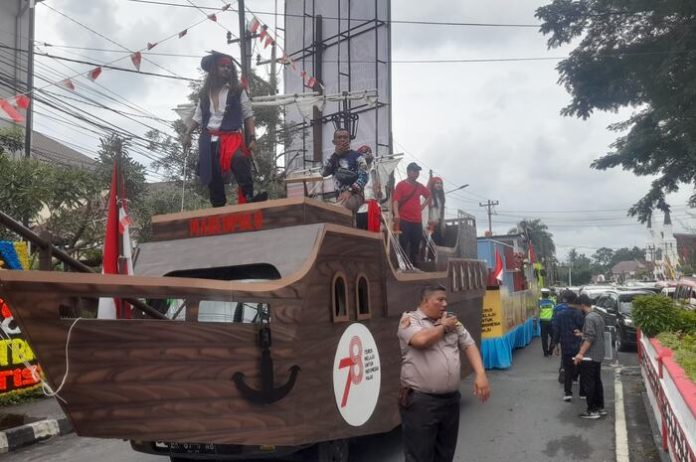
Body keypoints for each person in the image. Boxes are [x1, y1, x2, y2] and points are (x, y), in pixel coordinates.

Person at [397, 285, 490, 462]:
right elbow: (421, 340)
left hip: (450, 401)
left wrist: (480, 374)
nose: (445, 304)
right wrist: (444, 327)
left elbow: (468, 344)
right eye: (440, 300)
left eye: (445, 299)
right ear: (425, 301)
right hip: (421, 402)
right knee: (420, 456)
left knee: (445, 455)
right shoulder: (410, 320)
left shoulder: (452, 321)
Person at [183, 51, 259, 207]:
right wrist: (187, 134)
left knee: (239, 160)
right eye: (222, 66)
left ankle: (249, 197)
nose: (226, 69)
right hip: (207, 138)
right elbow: (198, 117)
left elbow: (248, 116)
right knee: (212, 174)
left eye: (229, 67)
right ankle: (218, 207)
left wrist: (252, 138)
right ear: (214, 70)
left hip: (230, 138)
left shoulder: (237, 90)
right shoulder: (204, 93)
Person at [574, 293, 606, 419]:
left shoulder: (588, 318)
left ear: (582, 305)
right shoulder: (597, 315)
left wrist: (580, 353)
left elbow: (591, 337)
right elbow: (593, 334)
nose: (578, 310)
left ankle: (592, 410)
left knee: (589, 383)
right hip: (598, 354)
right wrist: (582, 334)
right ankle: (600, 407)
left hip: (590, 356)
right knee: (597, 381)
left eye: (578, 307)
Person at [321, 129, 369, 213]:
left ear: (349, 140)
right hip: (339, 197)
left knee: (341, 210)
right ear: (334, 141)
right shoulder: (332, 158)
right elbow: (323, 173)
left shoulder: (358, 156)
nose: (342, 139)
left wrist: (350, 191)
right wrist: (335, 154)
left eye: (345, 137)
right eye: (339, 137)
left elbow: (364, 176)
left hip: (355, 195)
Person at [393, 163, 432, 265]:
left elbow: (429, 195)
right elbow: (395, 201)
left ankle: (414, 266)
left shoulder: (419, 186)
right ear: (408, 172)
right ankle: (402, 266)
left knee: (416, 244)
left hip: (417, 221)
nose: (417, 173)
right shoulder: (401, 185)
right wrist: (396, 214)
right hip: (404, 220)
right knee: (403, 244)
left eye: (418, 171)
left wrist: (422, 206)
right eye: (414, 171)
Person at [551, 290, 585, 401]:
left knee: (567, 368)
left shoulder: (560, 315)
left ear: (565, 301)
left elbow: (556, 331)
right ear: (575, 300)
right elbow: (583, 329)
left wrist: (556, 345)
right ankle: (582, 393)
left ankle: (568, 393)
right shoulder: (579, 314)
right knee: (581, 367)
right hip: (578, 345)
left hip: (566, 345)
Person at [355, 145, 382, 231]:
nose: (368, 153)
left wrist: (379, 192)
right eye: (365, 152)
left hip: (374, 207)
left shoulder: (375, 171)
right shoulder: (355, 172)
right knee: (362, 237)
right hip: (361, 209)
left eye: (369, 152)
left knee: (374, 236)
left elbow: (379, 193)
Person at [427, 177, 446, 245]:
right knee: (429, 247)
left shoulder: (441, 198)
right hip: (430, 225)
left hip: (438, 225)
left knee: (438, 245)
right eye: (437, 183)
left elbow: (441, 213)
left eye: (441, 183)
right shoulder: (428, 197)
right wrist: (427, 223)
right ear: (433, 184)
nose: (439, 185)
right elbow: (424, 212)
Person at [538, 288, 555, 357]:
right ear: (548, 294)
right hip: (551, 321)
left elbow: (538, 310)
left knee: (544, 338)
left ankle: (545, 352)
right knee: (554, 336)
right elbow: (555, 309)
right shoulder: (552, 300)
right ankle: (550, 350)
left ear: (542, 294)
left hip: (543, 322)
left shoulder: (539, 301)